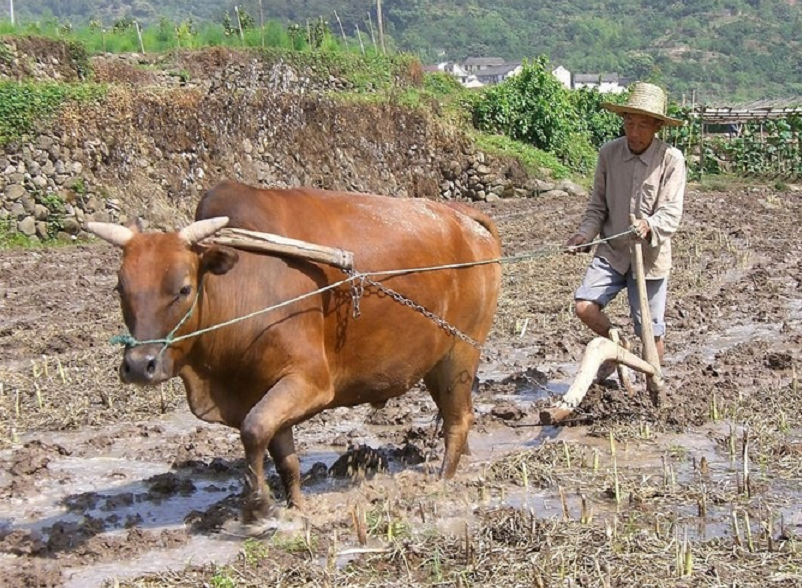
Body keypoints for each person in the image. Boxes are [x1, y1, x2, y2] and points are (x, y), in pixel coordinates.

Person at [565, 82, 686, 382]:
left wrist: (650, 225)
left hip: (650, 258)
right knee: (584, 307)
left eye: (643, 125)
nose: (633, 132)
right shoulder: (608, 154)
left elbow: (671, 213)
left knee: (650, 328)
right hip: (613, 252)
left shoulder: (671, 160)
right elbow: (597, 207)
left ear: (657, 126)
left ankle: (653, 384)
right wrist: (584, 235)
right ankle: (617, 341)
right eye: (629, 123)